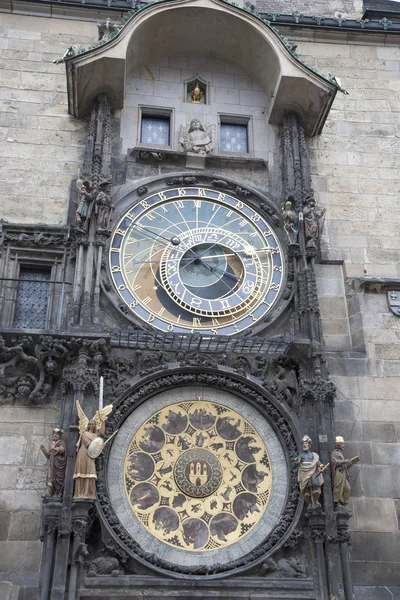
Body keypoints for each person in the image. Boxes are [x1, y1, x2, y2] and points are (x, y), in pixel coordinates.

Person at [295, 435, 326, 509]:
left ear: (309, 444)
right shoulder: (301, 455)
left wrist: (321, 465)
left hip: (312, 471)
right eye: (303, 443)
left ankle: (315, 501)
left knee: (315, 484)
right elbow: (298, 460)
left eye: (306, 443)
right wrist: (297, 460)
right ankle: (309, 502)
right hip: (304, 471)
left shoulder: (313, 455)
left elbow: (316, 461)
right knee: (306, 489)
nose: (304, 445)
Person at [330, 436, 359, 507]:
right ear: (338, 444)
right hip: (338, 472)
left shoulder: (340, 453)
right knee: (338, 486)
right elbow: (334, 462)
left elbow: (344, 466)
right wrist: (344, 461)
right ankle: (337, 502)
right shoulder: (334, 453)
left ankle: (344, 503)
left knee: (347, 488)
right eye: (342, 444)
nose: (343, 446)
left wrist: (350, 463)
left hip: (343, 473)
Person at [40, 428, 67, 498]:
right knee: (50, 478)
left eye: (57, 434)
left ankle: (57, 493)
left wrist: (56, 449)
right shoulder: (51, 443)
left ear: (59, 436)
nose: (55, 435)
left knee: (58, 479)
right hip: (52, 463)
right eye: (54, 434)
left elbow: (62, 449)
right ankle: (49, 492)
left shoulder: (61, 442)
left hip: (58, 463)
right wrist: (44, 451)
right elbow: (49, 455)